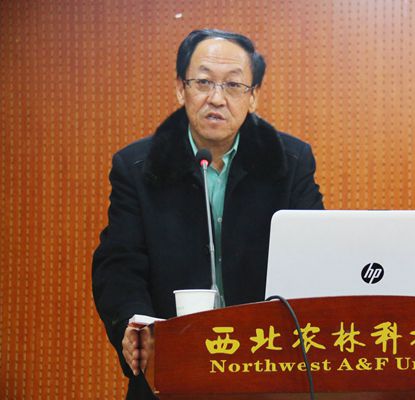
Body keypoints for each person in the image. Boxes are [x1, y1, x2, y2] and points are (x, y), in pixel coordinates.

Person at [92, 29, 324, 399]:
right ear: (180, 89)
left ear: (253, 97)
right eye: (203, 82)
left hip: (266, 367)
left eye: (233, 85)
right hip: (172, 367)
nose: (216, 98)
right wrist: (133, 324)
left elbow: (316, 256)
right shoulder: (136, 167)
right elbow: (119, 264)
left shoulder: (291, 162)